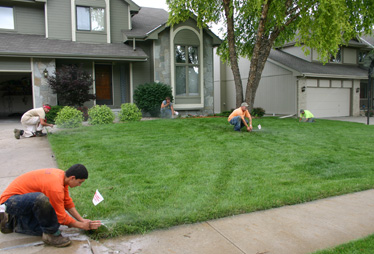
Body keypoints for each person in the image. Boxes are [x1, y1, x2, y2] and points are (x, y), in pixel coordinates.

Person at [0, 164, 101, 247]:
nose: (79, 185)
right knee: (42, 202)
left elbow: (67, 202)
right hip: (10, 202)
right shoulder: (55, 187)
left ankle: (12, 220)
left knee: (47, 223)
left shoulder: (62, 177)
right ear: (72, 178)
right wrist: (80, 226)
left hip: (20, 200)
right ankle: (50, 235)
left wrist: (81, 220)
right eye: (80, 182)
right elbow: (61, 217)